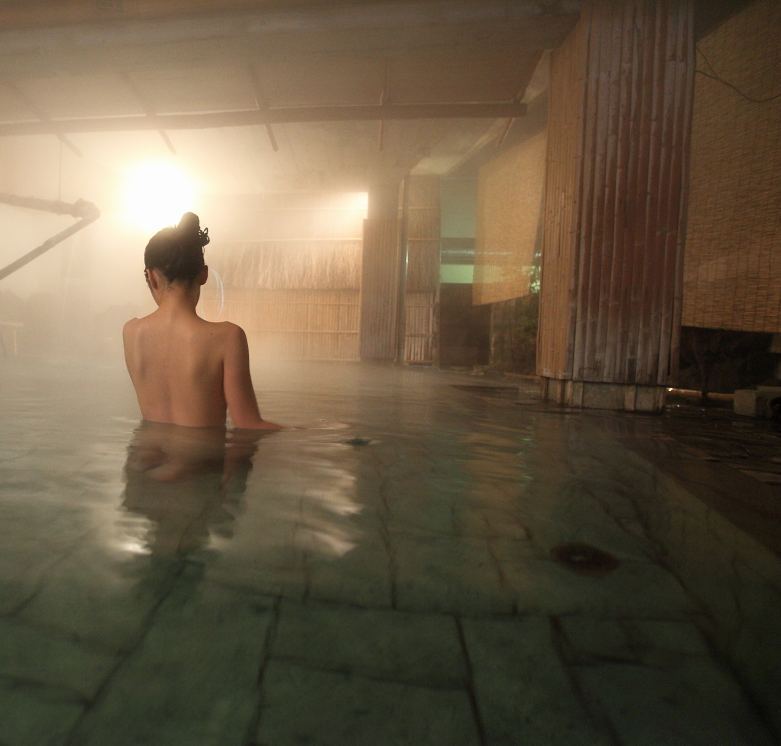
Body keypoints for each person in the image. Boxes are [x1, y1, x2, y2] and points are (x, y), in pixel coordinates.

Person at [123, 212, 280, 430]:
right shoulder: (228, 338)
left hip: (144, 460)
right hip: (201, 462)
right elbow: (248, 425)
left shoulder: (131, 333)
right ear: (204, 275)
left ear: (151, 277)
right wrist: (317, 434)